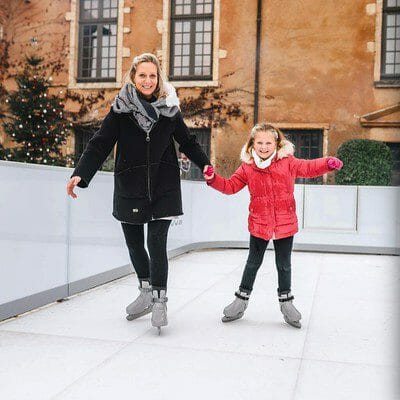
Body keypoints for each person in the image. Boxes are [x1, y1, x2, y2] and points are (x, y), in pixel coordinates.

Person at [67, 53, 211, 333]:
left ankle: (159, 300)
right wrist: (80, 174)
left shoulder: (169, 110)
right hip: (130, 186)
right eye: (142, 75)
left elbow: (188, 141)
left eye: (152, 76)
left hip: (164, 186)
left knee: (156, 244)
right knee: (134, 244)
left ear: (159, 79)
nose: (147, 80)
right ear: (133, 78)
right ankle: (145, 290)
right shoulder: (120, 111)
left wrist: (205, 165)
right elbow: (100, 144)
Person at [203, 123, 343, 328]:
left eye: (268, 142)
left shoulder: (288, 162)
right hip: (260, 222)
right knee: (252, 263)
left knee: (284, 265)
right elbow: (231, 186)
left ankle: (287, 304)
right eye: (259, 142)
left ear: (276, 143)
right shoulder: (247, 167)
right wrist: (213, 179)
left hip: (285, 223)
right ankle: (240, 302)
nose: (264, 146)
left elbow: (309, 167)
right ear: (252, 144)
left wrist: (327, 163)